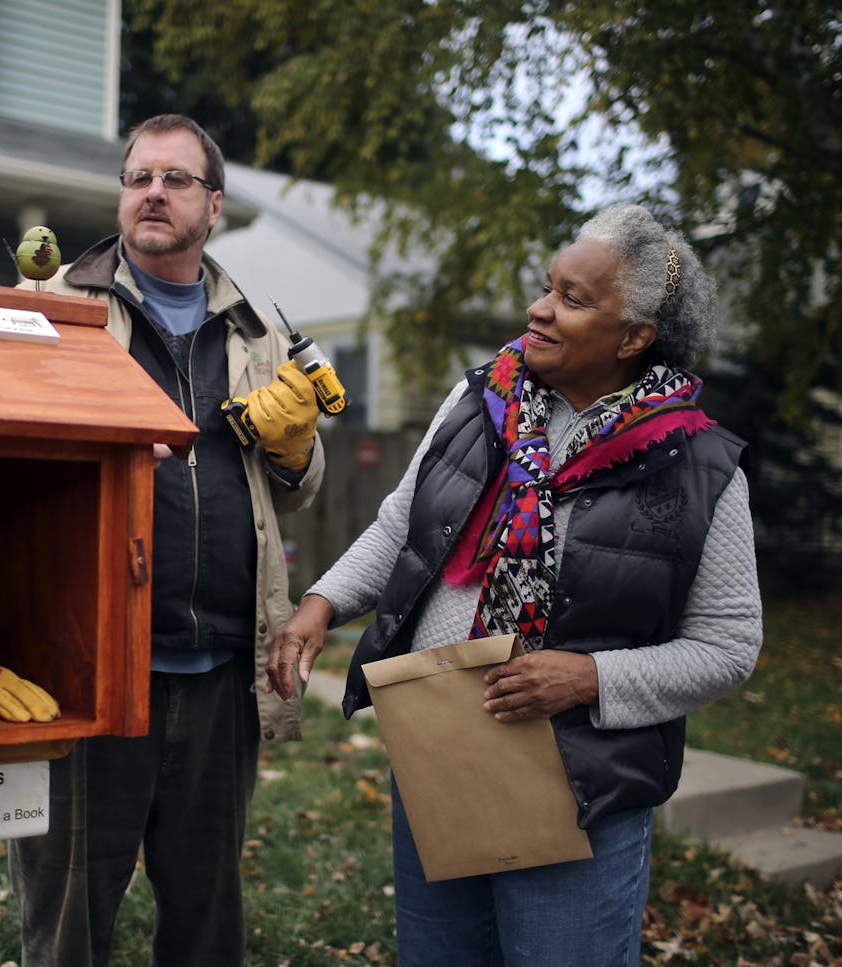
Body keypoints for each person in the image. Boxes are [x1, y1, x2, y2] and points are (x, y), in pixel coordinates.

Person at [267, 204, 763, 966]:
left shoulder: (697, 467)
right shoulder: (478, 403)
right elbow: (402, 525)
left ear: (633, 338)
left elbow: (729, 645)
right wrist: (320, 603)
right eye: (546, 287)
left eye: (573, 297)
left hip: (578, 786)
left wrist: (590, 676)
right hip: (440, 753)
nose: (539, 307)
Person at [8, 114, 326, 967]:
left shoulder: (259, 331)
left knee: (206, 917)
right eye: (137, 176)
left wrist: (297, 449)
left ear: (213, 206)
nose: (152, 191)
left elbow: (296, 492)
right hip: (90, 666)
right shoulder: (50, 311)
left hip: (221, 671)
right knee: (69, 914)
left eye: (176, 178)